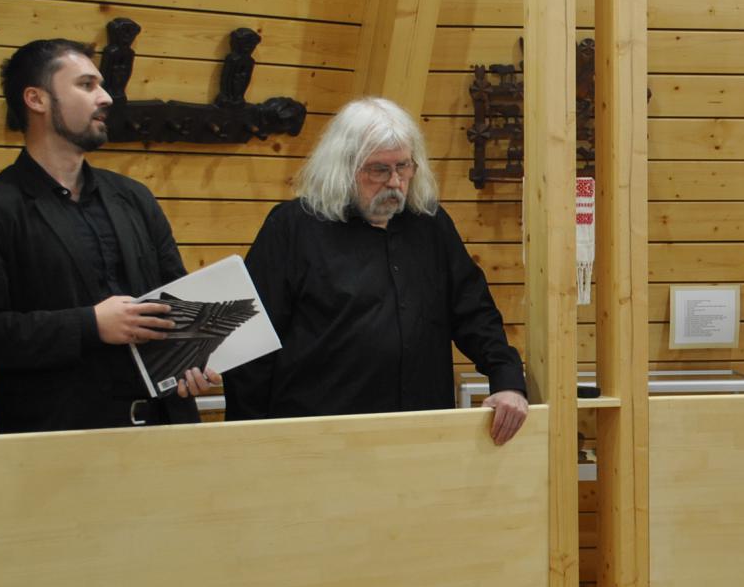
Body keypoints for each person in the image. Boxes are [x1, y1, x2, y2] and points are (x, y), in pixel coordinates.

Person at [224, 97, 529, 444]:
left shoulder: (430, 225)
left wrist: (507, 380)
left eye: (404, 166)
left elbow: (474, 313)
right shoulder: (292, 228)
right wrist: (250, 439)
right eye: (379, 170)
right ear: (344, 167)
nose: (395, 182)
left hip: (420, 434)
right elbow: (250, 344)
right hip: (318, 441)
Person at [0, 38, 219, 433]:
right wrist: (90, 325)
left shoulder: (134, 197)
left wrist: (192, 358)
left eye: (101, 85)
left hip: (163, 429)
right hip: (61, 441)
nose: (105, 97)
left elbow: (177, 299)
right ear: (36, 99)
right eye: (86, 85)